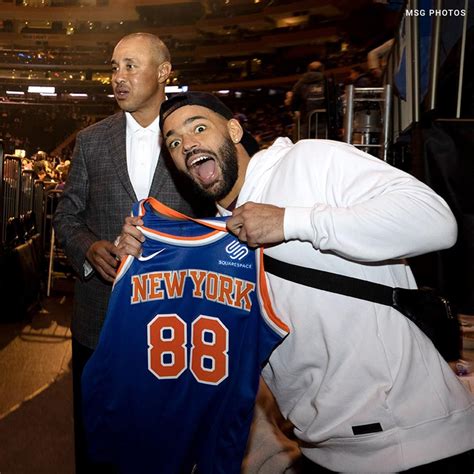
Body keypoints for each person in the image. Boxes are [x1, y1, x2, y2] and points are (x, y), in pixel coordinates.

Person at [119, 92, 473, 473]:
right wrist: (146, 261)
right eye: (173, 142)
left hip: (417, 441)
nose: (187, 144)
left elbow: (436, 221)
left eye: (199, 128)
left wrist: (292, 222)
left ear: (235, 130)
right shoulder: (214, 241)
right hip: (320, 451)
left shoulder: (309, 160)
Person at [53, 34, 212, 474]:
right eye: (114, 67)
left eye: (129, 66)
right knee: (96, 444)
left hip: (176, 325)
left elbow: (217, 217)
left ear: (164, 72)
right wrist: (89, 248)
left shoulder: (194, 138)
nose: (117, 78)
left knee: (168, 445)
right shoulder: (90, 141)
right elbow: (66, 215)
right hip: (98, 320)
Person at [290, 61, 327, 140]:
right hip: (324, 119)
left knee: (306, 142)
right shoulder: (327, 81)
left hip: (305, 118)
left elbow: (294, 101)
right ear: (322, 69)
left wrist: (294, 110)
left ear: (308, 70)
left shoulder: (300, 83)